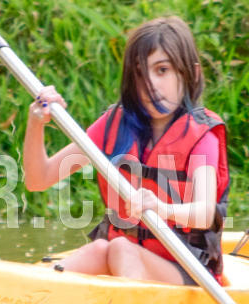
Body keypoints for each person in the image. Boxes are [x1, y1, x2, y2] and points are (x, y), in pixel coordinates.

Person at [23, 16, 230, 286]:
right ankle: (32, 293)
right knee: (101, 248)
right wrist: (36, 122)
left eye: (162, 70)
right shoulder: (113, 127)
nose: (150, 84)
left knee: (120, 247)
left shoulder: (202, 136)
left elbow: (203, 212)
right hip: (128, 258)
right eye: (140, 73)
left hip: (188, 270)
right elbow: (39, 179)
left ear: (192, 74)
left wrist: (161, 208)